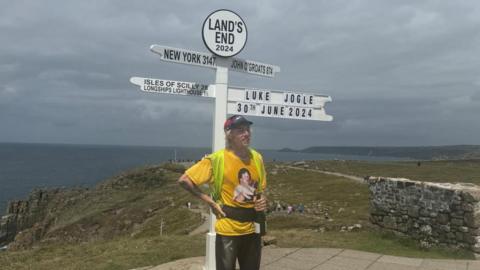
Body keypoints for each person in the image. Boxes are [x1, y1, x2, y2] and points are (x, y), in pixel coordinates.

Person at [178, 115, 267, 270]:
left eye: (248, 129)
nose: (246, 133)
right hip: (227, 230)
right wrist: (210, 202)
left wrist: (263, 200)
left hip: (252, 228)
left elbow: (261, 190)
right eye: (240, 130)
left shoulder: (257, 158)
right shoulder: (217, 159)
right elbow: (185, 180)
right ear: (229, 134)